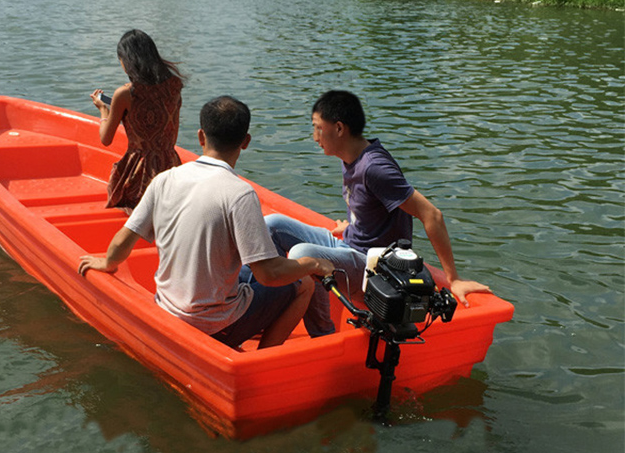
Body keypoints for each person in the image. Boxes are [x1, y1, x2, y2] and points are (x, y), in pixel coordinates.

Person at [78, 96, 334, 350]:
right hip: (215, 327)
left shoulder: (165, 179)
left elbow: (125, 238)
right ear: (245, 142)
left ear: (201, 137)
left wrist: (107, 262)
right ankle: (258, 361)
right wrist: (311, 263)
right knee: (304, 284)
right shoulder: (239, 193)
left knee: (250, 268)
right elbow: (269, 275)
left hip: (167, 308)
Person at [265, 89, 491, 337]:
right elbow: (371, 208)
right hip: (351, 244)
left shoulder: (375, 167)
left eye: (318, 128)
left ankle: (323, 334)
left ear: (339, 129)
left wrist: (453, 279)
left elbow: (432, 215)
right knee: (272, 225)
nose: (314, 136)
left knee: (301, 254)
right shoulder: (350, 156)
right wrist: (352, 226)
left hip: (375, 265)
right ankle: (273, 306)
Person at [90, 29, 184, 210]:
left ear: (126, 61)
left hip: (139, 173)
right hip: (171, 166)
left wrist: (103, 111)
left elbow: (106, 139)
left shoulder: (125, 94)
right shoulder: (174, 85)